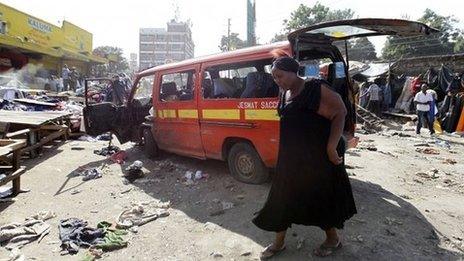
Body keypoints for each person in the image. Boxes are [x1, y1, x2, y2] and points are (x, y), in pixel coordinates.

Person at [253, 55, 357, 259]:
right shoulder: (284, 93)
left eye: (280, 76)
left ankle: (332, 239)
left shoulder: (314, 88)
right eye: (274, 77)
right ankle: (278, 243)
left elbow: (340, 112)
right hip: (291, 159)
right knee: (281, 198)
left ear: (293, 71)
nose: (277, 81)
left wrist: (330, 146)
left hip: (316, 159)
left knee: (319, 198)